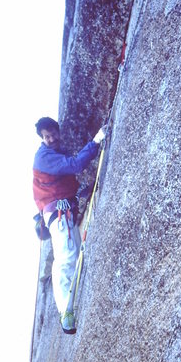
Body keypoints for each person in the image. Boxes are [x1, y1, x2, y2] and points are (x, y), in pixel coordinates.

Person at [33, 117, 105, 334]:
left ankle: (73, 306)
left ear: (58, 131)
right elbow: (75, 165)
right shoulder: (44, 157)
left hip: (65, 212)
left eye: (53, 133)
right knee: (65, 257)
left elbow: (67, 176)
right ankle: (66, 310)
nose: (52, 138)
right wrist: (96, 141)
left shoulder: (55, 153)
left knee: (75, 256)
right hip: (59, 213)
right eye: (47, 136)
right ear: (42, 139)